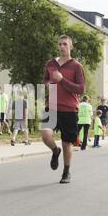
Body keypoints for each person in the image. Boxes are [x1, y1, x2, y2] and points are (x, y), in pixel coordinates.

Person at [41, 35, 85, 184]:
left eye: (65, 44)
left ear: (70, 47)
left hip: (69, 109)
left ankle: (66, 172)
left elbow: (81, 89)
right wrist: (47, 84)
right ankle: (55, 150)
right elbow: (45, 79)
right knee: (46, 135)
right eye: (60, 44)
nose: (61, 47)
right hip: (51, 105)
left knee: (67, 143)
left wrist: (62, 80)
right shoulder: (51, 63)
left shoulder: (76, 66)